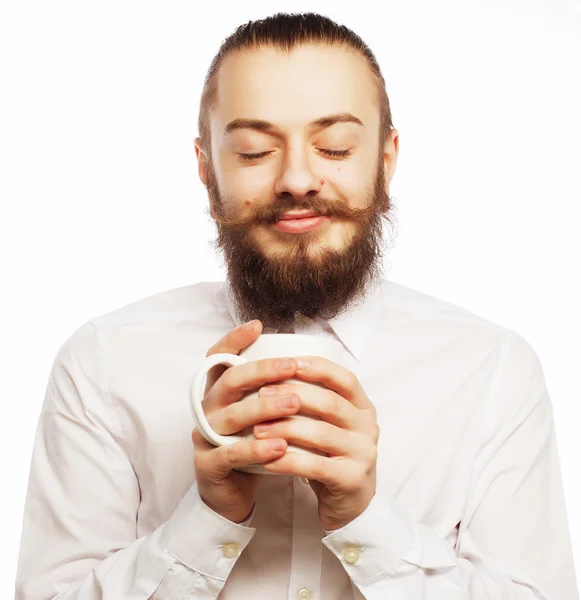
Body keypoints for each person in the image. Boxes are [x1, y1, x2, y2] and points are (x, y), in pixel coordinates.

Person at [14, 11, 578, 600]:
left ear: (385, 161)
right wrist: (207, 517)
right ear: (208, 172)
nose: (298, 178)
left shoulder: (492, 370)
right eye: (255, 152)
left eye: (334, 146)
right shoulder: (104, 362)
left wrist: (366, 522)